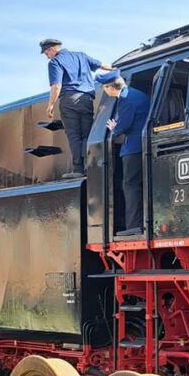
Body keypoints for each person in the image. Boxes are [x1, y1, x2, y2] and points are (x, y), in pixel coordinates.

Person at [40, 39, 113, 179]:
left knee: (74, 135)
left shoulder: (55, 62)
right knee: (87, 133)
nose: (47, 56)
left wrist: (50, 105)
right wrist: (117, 70)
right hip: (86, 99)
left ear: (51, 49)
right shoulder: (81, 56)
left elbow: (56, 86)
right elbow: (103, 65)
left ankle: (78, 169)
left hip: (69, 99)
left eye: (46, 53)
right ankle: (90, 166)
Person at [98, 70, 151, 236]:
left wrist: (115, 128)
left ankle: (134, 225)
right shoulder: (136, 94)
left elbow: (124, 125)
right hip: (141, 145)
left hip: (133, 147)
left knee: (130, 185)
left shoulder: (126, 99)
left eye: (104, 88)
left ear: (109, 87)